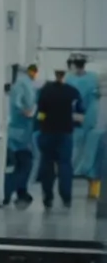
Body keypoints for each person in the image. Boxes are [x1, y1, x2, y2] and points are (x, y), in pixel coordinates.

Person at [37, 68, 85, 208]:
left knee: (47, 165)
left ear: (55, 75)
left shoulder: (45, 91)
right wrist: (73, 122)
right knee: (65, 165)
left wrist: (42, 124)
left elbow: (40, 112)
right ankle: (66, 197)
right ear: (64, 76)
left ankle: (48, 197)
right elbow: (81, 111)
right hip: (65, 133)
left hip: (47, 132)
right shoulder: (72, 91)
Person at [6, 64, 39, 207]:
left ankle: (21, 192)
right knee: (25, 163)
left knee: (21, 164)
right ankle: (8, 193)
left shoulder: (25, 85)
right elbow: (18, 105)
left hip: (22, 131)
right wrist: (27, 112)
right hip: (19, 132)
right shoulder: (21, 86)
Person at [73, 55, 104, 195]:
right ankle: (94, 189)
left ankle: (94, 188)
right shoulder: (95, 98)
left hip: (91, 127)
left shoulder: (96, 99)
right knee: (94, 159)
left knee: (93, 158)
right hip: (92, 127)